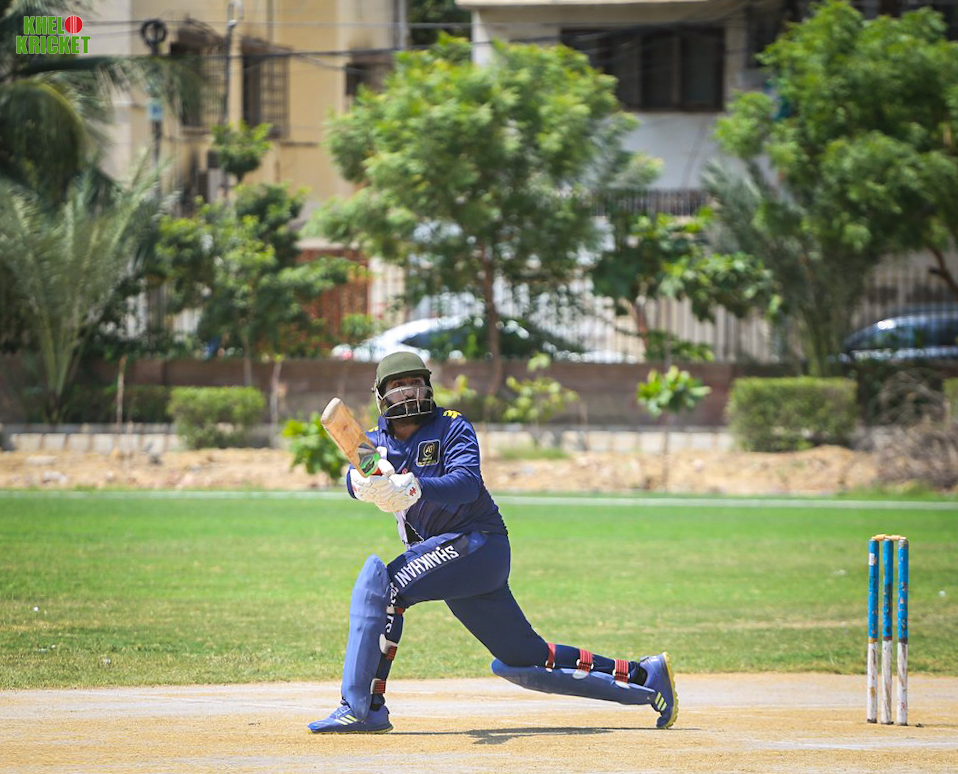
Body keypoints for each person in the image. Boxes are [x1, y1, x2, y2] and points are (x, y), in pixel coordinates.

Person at [308, 352, 677, 734]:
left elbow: (467, 484)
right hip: (449, 559)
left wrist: (416, 487)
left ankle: (364, 708)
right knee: (525, 656)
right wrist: (360, 485)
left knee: (385, 586)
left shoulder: (452, 425)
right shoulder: (376, 441)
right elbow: (358, 470)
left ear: (428, 387)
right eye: (398, 385)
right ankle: (644, 675)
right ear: (381, 394)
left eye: (415, 382)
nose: (408, 391)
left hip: (477, 544)